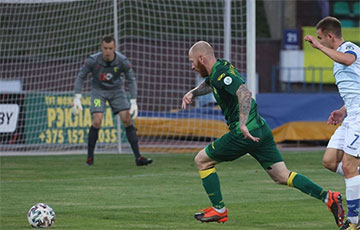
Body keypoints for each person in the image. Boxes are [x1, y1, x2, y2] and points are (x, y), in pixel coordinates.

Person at [181, 41, 344, 226]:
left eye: (192, 61)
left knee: (201, 160)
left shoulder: (221, 73)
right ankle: (328, 198)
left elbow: (244, 93)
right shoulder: (220, 68)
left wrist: (242, 124)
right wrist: (193, 93)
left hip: (244, 132)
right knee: (282, 175)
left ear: (202, 59)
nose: (192, 66)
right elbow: (211, 84)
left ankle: (219, 210)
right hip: (261, 128)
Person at [304, 16, 360, 230]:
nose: (319, 41)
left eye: (321, 38)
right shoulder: (340, 58)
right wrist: (341, 110)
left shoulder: (349, 49)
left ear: (329, 36)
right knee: (329, 161)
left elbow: (348, 60)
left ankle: (353, 223)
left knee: (348, 166)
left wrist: (318, 47)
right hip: (351, 114)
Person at [72, 35, 152, 166]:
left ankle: (138, 158)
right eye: (105, 48)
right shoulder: (93, 60)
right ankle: (89, 159)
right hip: (98, 93)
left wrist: (133, 101)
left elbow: (131, 79)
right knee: (97, 121)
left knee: (127, 119)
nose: (108, 51)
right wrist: (77, 97)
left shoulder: (122, 61)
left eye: (110, 48)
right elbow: (81, 76)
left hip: (116, 92)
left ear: (114, 48)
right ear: (101, 48)